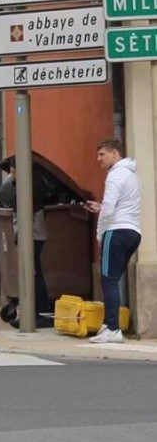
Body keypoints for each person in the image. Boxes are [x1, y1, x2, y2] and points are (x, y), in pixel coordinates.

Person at [85, 138, 141, 344]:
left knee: (108, 280)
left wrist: (100, 233)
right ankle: (110, 325)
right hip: (133, 231)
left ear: (115, 154)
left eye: (102, 154)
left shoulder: (115, 175)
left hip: (116, 232)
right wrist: (100, 207)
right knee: (113, 279)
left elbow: (109, 209)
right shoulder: (131, 176)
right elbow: (118, 205)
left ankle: (113, 329)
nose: (98, 159)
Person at [0, 155, 53, 329]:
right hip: (33, 234)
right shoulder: (28, 181)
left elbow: (25, 207)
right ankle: (37, 310)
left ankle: (37, 312)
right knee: (34, 271)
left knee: (33, 272)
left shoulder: (30, 183)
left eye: (13, 169)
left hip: (32, 235)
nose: (11, 172)